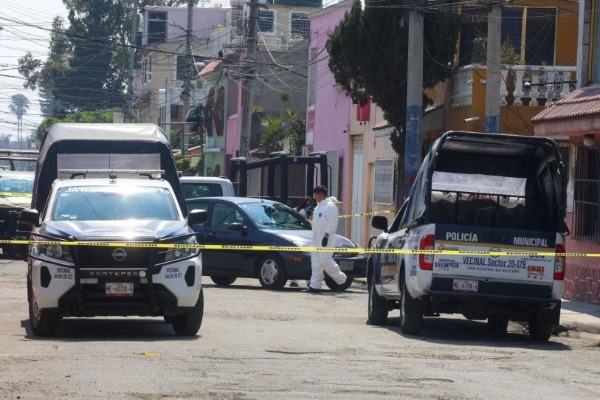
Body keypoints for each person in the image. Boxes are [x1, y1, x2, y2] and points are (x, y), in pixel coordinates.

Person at [303, 185, 350, 294]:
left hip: (326, 239)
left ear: (321, 194)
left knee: (325, 261)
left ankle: (342, 279)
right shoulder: (318, 207)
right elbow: (316, 223)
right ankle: (315, 286)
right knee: (315, 263)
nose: (315, 197)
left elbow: (332, 223)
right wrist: (310, 218)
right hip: (316, 239)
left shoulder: (330, 206)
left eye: (316, 194)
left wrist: (327, 236)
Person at [289, 196, 315, 288]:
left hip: (308, 236)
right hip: (300, 236)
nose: (309, 205)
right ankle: (294, 280)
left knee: (308, 260)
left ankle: (308, 281)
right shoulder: (300, 211)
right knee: (298, 259)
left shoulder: (312, 211)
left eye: (310, 203)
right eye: (307, 203)